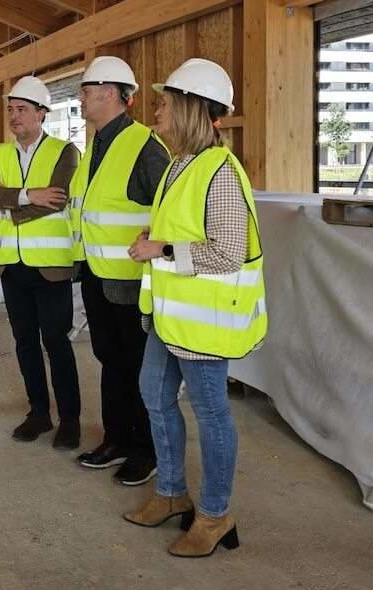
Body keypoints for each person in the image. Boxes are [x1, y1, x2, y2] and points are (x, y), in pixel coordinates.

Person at [123, 58, 268, 557]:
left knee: (210, 413)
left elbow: (227, 251)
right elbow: (186, 233)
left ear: (190, 108)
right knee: (153, 394)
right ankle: (170, 493)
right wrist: (156, 240)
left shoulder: (221, 173)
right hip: (172, 315)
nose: (156, 112)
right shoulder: (180, 165)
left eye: (164, 103)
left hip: (203, 321)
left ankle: (214, 514)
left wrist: (160, 250)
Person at [68, 56, 170, 487]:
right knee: (110, 359)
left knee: (137, 364)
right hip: (97, 273)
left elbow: (167, 211)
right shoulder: (97, 144)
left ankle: (145, 449)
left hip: (130, 278)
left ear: (110, 94)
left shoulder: (146, 147)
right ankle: (116, 438)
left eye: (86, 92)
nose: (82, 99)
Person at [0, 76, 82, 448]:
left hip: (51, 265)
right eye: (10, 110)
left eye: (22, 109)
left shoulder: (65, 152)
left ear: (41, 114)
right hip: (11, 264)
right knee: (24, 342)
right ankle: (39, 413)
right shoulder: (0, 154)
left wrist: (11, 202)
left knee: (56, 341)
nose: (14, 116)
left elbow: (57, 198)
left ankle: (70, 419)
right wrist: (25, 194)